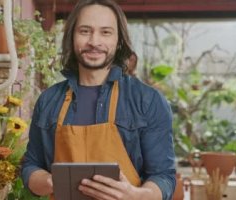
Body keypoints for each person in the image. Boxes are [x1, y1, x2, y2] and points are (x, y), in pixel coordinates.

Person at [21, 0, 176, 199]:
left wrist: (137, 195)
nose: (94, 42)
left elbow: (163, 176)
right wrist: (48, 182)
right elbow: (31, 165)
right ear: (71, 37)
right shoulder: (49, 100)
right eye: (85, 31)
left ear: (119, 40)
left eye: (105, 32)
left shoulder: (148, 101)